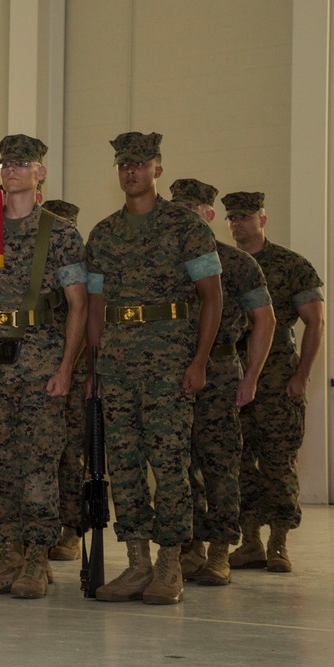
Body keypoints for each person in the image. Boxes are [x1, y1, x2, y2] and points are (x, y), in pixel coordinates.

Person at [86, 132, 222, 605]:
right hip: (119, 363)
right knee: (122, 464)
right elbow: (97, 306)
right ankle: (138, 562)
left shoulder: (186, 227)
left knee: (168, 462)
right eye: (124, 164)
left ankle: (170, 562)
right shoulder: (103, 233)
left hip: (170, 360)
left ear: (157, 168)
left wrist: (200, 360)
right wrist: (96, 366)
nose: (131, 172)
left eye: (141, 164)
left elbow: (211, 296)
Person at [0, 135, 87, 599]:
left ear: (40, 172)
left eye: (23, 163)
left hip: (40, 363)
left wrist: (67, 366)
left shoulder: (61, 232)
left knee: (38, 463)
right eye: (5, 163)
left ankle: (36, 558)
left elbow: (77, 305)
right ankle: (9, 550)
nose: (12, 170)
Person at [169, 180, 275, 586]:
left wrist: (251, 377)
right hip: (171, 375)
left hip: (218, 373)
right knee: (179, 464)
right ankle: (191, 545)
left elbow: (265, 320)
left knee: (220, 463)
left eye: (191, 210)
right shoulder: (167, 260)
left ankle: (219, 551)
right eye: (177, 209)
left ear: (209, 215)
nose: (183, 217)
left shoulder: (238, 263)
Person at [224, 191, 325, 574]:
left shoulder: (290, 265)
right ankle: (249, 541)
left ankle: (279, 542)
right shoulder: (224, 264)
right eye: (232, 217)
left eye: (246, 217)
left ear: (262, 219)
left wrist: (302, 375)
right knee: (238, 462)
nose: (238, 224)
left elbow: (315, 323)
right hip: (232, 372)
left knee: (278, 460)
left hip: (279, 376)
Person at [41, 198, 87, 562]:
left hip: (75, 368)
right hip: (38, 365)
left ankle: (71, 529)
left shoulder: (79, 262)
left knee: (72, 453)